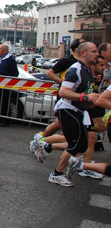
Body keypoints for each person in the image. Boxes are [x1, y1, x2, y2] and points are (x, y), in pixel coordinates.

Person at [37, 42, 99, 187]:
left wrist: (90, 100)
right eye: (94, 51)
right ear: (83, 53)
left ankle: (46, 147)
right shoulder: (75, 69)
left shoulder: (88, 70)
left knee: (82, 145)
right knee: (74, 144)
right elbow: (63, 92)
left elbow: (83, 91)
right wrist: (85, 97)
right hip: (68, 109)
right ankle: (56, 174)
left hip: (80, 110)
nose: (97, 54)